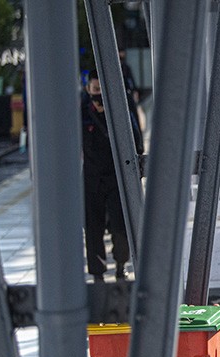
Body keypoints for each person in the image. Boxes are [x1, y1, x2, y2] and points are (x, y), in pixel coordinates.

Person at [81, 70, 144, 282]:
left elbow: (137, 140)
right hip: (91, 179)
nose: (98, 94)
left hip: (117, 177)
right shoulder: (82, 111)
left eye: (102, 90)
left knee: (120, 226)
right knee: (93, 227)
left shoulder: (121, 108)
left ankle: (120, 265)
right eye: (95, 89)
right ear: (88, 89)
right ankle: (97, 272)